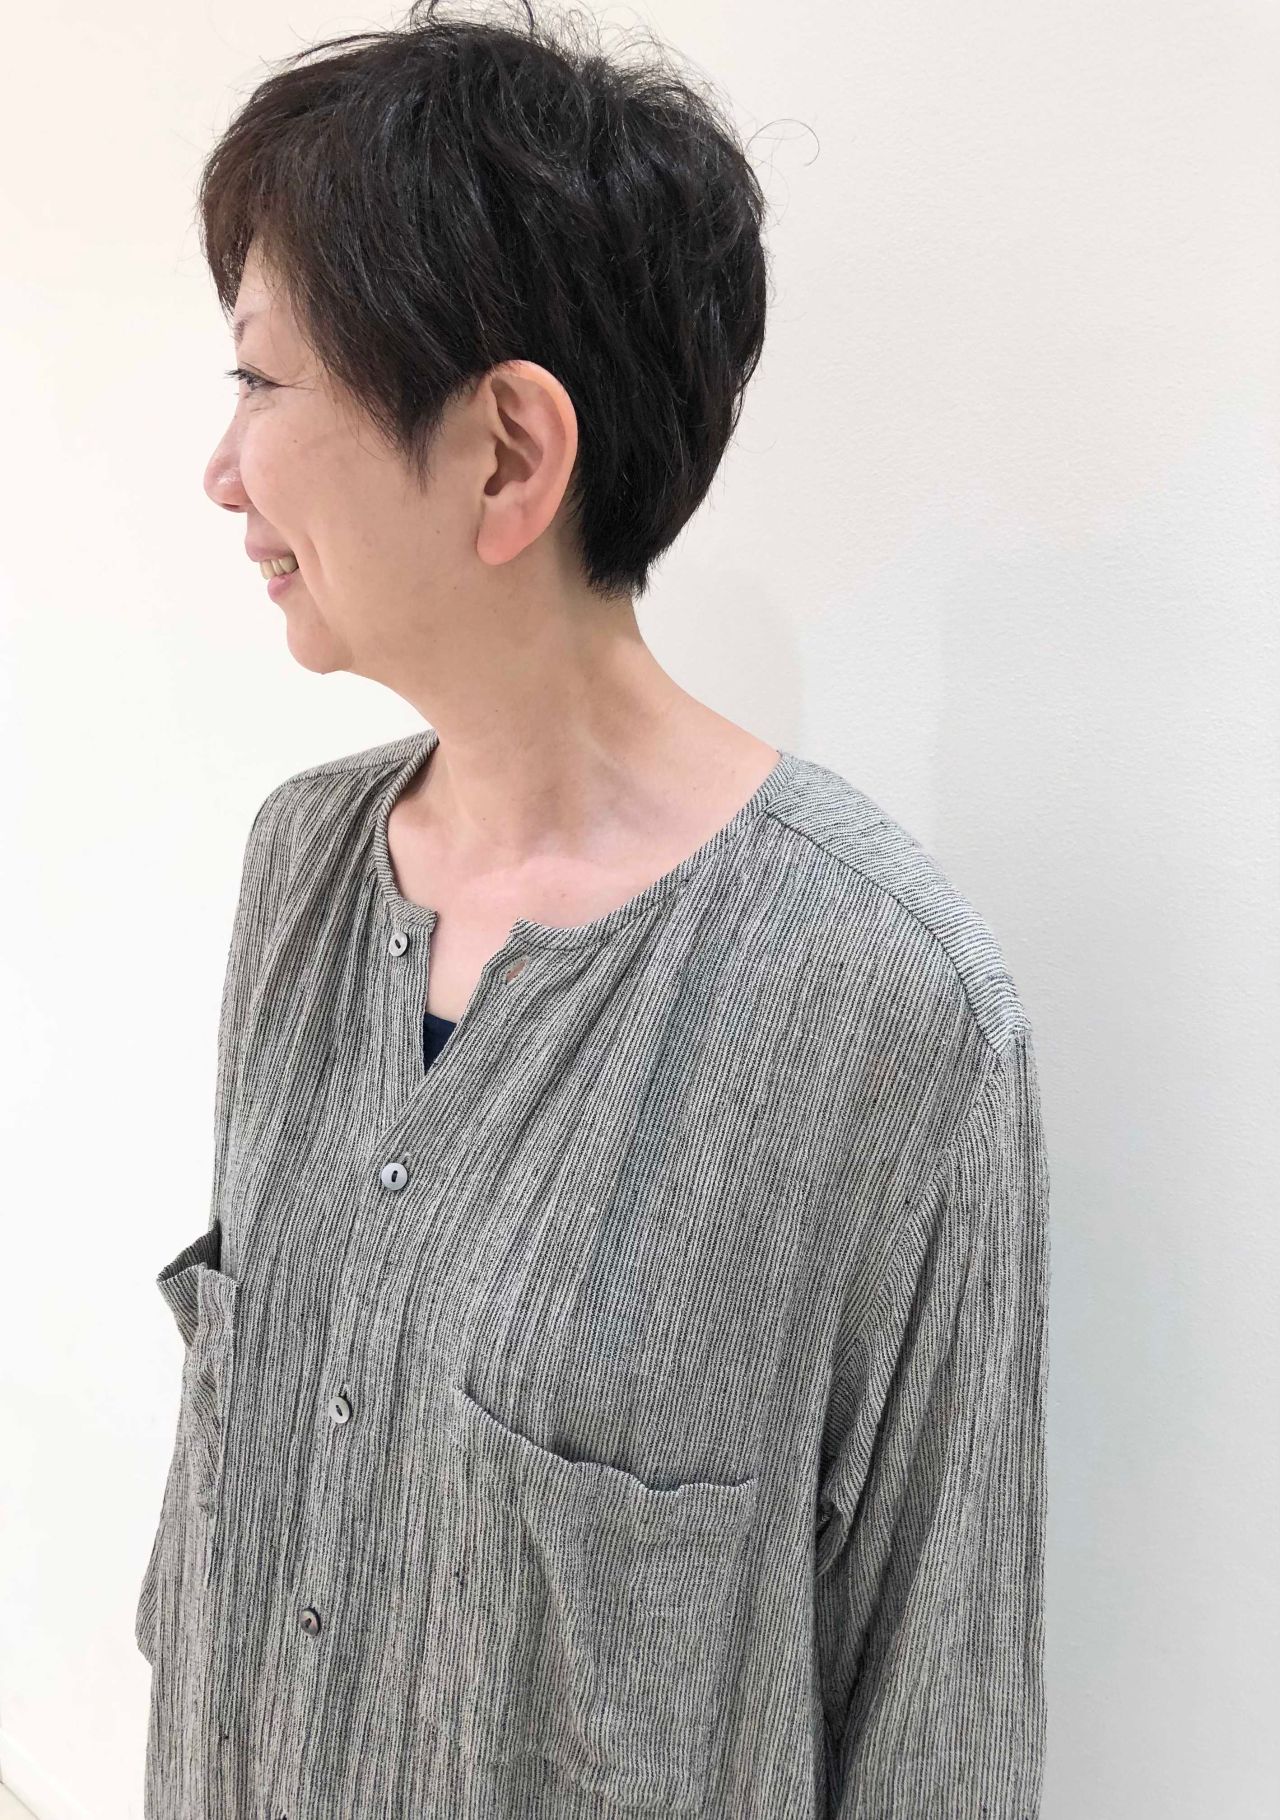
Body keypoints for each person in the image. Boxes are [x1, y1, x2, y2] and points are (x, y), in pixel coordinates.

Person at [135, 4, 1051, 1817]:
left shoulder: (881, 1004)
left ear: (507, 455)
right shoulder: (301, 872)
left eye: (262, 383)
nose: (223, 471)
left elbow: (941, 1722)